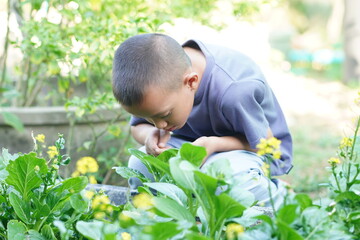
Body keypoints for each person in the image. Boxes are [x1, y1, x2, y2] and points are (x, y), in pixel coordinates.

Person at [112, 33, 293, 208]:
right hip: (194, 146)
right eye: (149, 118)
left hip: (251, 149)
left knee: (220, 175)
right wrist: (149, 135)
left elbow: (265, 141)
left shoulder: (233, 91)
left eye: (165, 115)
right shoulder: (155, 81)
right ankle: (161, 221)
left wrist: (213, 144)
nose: (159, 125)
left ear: (191, 82)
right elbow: (137, 127)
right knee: (139, 164)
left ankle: (282, 199)